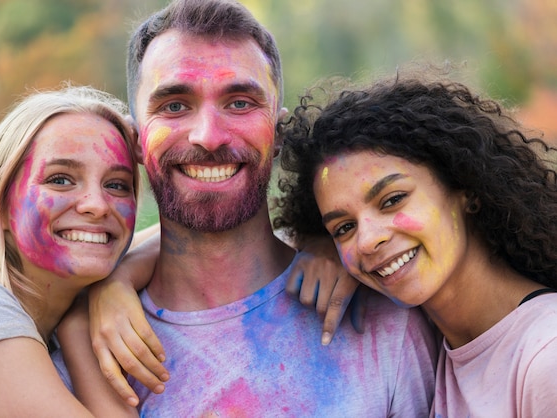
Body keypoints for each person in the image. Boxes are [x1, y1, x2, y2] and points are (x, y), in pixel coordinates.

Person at [61, 0, 439, 415]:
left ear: (278, 132)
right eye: (174, 105)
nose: (208, 136)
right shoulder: (90, 351)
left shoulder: (385, 321)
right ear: (135, 141)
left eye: (239, 102)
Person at [274, 71, 557, 417]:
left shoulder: (545, 356)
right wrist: (317, 245)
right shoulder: (438, 343)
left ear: (465, 188)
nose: (367, 239)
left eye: (393, 200)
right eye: (344, 227)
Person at [0, 85, 141, 417]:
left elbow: (187, 243)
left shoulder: (47, 328)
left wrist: (120, 278)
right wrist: (78, 328)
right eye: (60, 180)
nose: (98, 206)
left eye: (116, 185)